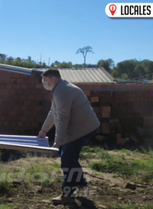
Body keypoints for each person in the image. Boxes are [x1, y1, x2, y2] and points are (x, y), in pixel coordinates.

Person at [37, 68, 100, 205]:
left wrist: (58, 142)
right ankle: (80, 183)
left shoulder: (62, 91)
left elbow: (63, 118)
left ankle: (68, 195)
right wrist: (44, 131)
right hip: (83, 126)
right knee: (68, 156)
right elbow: (54, 112)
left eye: (45, 80)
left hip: (83, 129)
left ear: (53, 79)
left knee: (67, 159)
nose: (44, 83)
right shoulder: (60, 88)